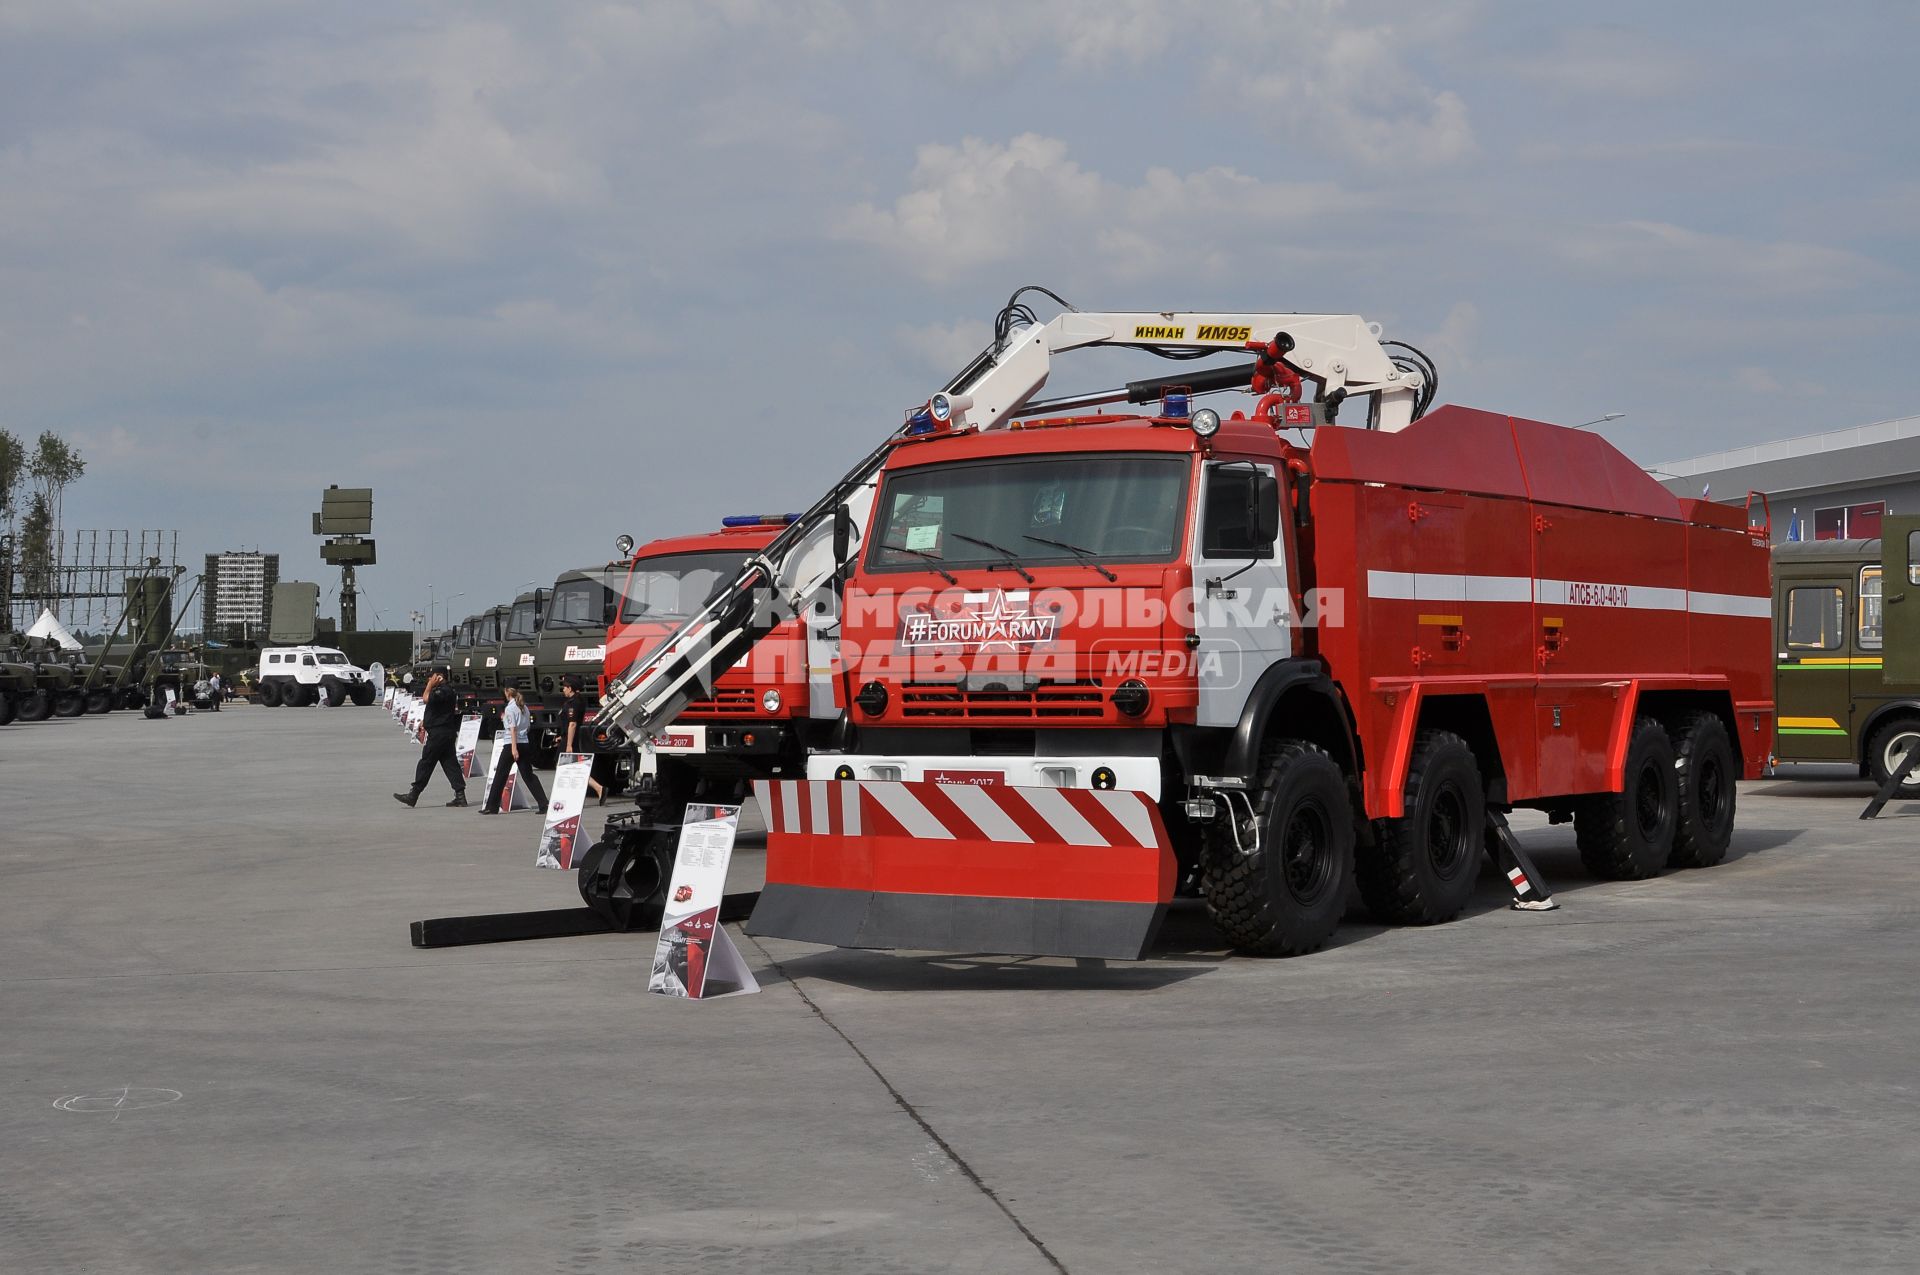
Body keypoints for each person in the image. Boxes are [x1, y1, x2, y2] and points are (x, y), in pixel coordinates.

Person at [394, 667, 467, 808]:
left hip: (439, 734)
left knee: (426, 763)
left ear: (440, 677)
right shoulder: (444, 690)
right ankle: (460, 795)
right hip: (445, 732)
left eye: (431, 677)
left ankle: (413, 795)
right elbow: (437, 710)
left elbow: (426, 698)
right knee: (450, 764)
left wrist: (429, 686)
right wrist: (425, 721)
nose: (429, 679)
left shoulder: (443, 690)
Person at [480, 686, 548, 815]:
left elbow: (513, 729)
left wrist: (513, 748)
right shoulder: (524, 707)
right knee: (528, 775)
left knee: (500, 775)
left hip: (512, 744)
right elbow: (527, 727)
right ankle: (543, 803)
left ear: (507, 692)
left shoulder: (510, 708)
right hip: (524, 743)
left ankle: (492, 806)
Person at [558, 676, 607, 805]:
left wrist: (568, 744)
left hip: (571, 740)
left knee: (570, 767)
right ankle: (597, 788)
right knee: (572, 767)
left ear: (570, 688)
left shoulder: (573, 703)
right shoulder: (575, 700)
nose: (563, 689)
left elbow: (572, 724)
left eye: (565, 687)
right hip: (568, 737)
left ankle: (598, 788)